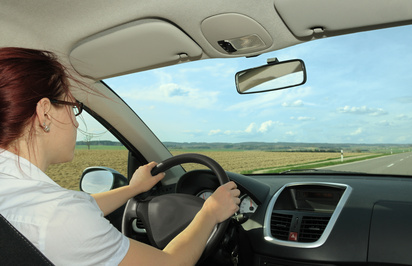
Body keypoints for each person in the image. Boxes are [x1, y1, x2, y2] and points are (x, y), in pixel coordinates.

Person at [0, 47, 241, 265]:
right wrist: (210, 212)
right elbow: (170, 263)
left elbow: (79, 207)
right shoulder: (60, 217)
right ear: (44, 114)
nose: (75, 121)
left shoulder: (23, 194)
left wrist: (133, 189)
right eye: (72, 108)